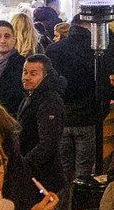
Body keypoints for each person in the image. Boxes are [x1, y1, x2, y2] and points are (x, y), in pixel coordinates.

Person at [44, 19, 103, 198]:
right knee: (84, 174)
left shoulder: (53, 50)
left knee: (62, 172)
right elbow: (102, 86)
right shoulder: (96, 50)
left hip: (61, 118)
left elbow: (48, 87)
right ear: (89, 25)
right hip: (87, 118)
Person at [15, 54, 66, 200]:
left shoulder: (49, 101)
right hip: (31, 173)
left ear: (46, 76)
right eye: (25, 72)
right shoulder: (31, 95)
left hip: (43, 176)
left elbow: (48, 144)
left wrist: (24, 164)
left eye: (33, 74)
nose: (26, 77)